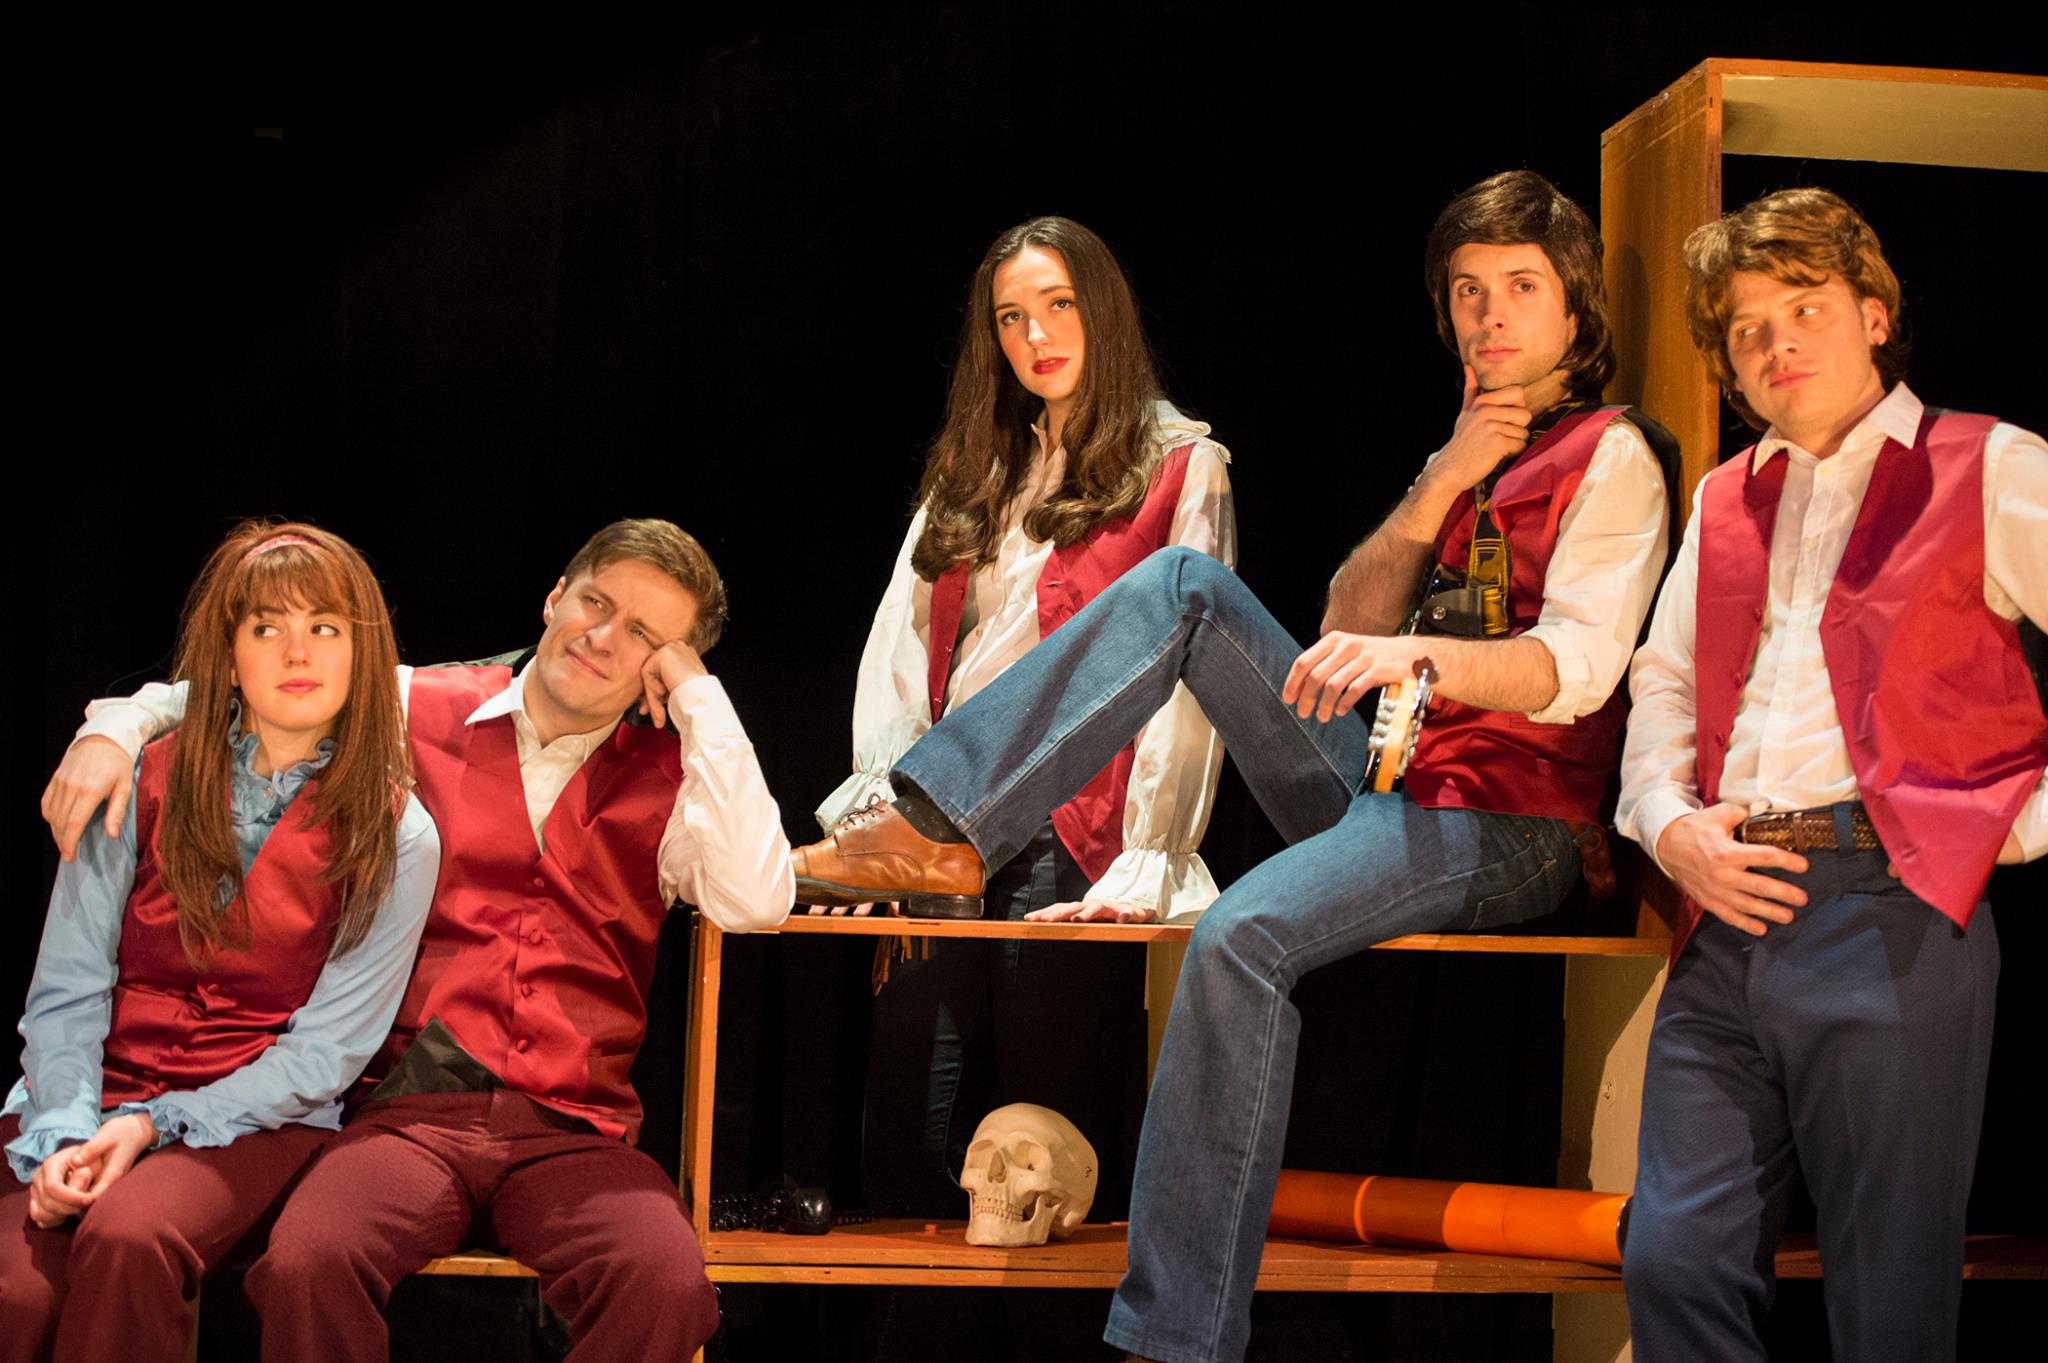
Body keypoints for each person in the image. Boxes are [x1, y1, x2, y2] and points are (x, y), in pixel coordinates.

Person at [790, 170, 1675, 1363]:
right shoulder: (1466, 452)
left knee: (1239, 935)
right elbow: (1342, 619)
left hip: (1508, 817)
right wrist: (1440, 480)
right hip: (1381, 779)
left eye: (1519, 287)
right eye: (1466, 291)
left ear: (1574, 305)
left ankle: (1174, 1340)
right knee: (1184, 587)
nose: (1488, 315)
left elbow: (1576, 669)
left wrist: (1412, 655)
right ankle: (943, 822)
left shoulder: (1610, 455)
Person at [38, 518, 794, 1363]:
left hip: (571, 1127)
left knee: (667, 1284)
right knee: (307, 1263)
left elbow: (759, 898)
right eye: (596, 602)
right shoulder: (409, 702)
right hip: (405, 1114)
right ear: (556, 597)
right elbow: (252, 688)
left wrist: (699, 697)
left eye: (647, 635)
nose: (604, 636)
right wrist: (117, 727)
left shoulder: (678, 778)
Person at [1614, 188, 2046, 1363]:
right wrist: (1667, 826)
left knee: (1885, 1296)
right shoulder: (1723, 494)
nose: (1775, 343)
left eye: (1802, 308)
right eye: (1745, 329)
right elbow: (1662, 686)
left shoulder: (1986, 462)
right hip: (1725, 907)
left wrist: (2006, 824)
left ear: (1872, 314)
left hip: (1890, 904)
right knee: (1670, 1260)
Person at [817, 215, 1233, 1223]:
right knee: (913, 1130)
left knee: (1048, 1140)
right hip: (940, 824)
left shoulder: (1181, 464)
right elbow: (901, 648)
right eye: (1010, 317)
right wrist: (882, 813)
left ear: (1104, 310)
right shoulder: (971, 470)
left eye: (1058, 305)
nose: (1035, 335)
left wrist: (1151, 847)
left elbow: (1192, 677)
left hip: (1070, 822)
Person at [2, 522, 440, 1363]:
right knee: (14, 1292)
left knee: (128, 1239)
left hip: (246, 1115)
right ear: (229, 654)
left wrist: (154, 1123)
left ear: (361, 653)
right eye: (266, 627)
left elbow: (327, 1052)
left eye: (325, 627)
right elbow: (67, 985)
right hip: (85, 1087)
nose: (297, 651)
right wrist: (63, 1131)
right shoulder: (138, 773)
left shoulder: (399, 834)